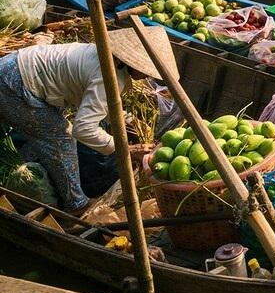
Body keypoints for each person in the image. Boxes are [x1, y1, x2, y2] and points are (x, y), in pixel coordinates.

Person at [0, 26, 172, 213]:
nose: (148, 75)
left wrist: (127, 120)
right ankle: (76, 205)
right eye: (147, 69)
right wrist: (125, 149)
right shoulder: (107, 75)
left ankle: (44, 172)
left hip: (15, 68)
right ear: (133, 62)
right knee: (62, 138)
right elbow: (82, 129)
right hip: (13, 84)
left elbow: (105, 103)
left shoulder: (107, 59)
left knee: (50, 135)